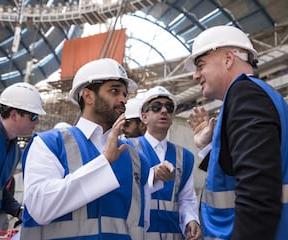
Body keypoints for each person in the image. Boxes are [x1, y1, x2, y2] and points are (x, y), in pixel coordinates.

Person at [186, 25, 288, 239]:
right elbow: (247, 173)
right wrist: (207, 148)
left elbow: (258, 194)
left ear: (228, 59)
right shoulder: (255, 94)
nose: (195, 76)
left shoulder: (245, 96)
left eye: (200, 65)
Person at [20, 58, 175, 240]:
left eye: (125, 94)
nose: (123, 100)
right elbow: (40, 207)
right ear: (88, 96)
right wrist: (104, 163)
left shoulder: (136, 159)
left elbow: (140, 224)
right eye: (114, 91)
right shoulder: (49, 144)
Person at [125, 86, 202, 240]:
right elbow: (125, 190)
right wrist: (152, 176)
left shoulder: (185, 156)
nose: (164, 111)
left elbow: (186, 197)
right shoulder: (128, 149)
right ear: (144, 117)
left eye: (169, 107)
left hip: (173, 235)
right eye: (156, 107)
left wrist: (191, 220)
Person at [0, 82, 46, 239]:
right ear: (14, 115)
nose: (37, 122)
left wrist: (19, 211)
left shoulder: (15, 152)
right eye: (33, 116)